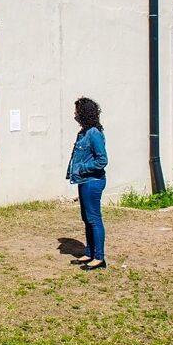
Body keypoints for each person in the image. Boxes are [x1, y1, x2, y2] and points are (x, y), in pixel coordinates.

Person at [66, 97, 109, 270]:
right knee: (86, 218)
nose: (75, 114)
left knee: (94, 218)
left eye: (77, 111)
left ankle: (99, 258)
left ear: (84, 113)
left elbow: (102, 160)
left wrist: (83, 168)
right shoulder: (83, 133)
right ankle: (89, 252)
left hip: (93, 181)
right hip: (83, 180)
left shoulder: (94, 134)